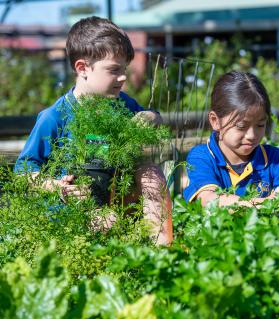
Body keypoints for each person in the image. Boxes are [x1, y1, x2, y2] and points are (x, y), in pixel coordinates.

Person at [14, 16, 173, 246]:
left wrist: (149, 117)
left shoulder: (122, 104)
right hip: (72, 213)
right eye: (113, 70)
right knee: (105, 220)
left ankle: (162, 250)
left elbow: (154, 116)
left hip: (117, 200)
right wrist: (56, 186)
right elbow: (24, 171)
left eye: (125, 69)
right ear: (83, 68)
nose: (123, 77)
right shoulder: (55, 117)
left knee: (150, 173)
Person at [183, 71, 279, 207]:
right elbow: (209, 201)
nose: (252, 135)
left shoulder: (275, 159)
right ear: (215, 121)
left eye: (260, 125)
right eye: (241, 126)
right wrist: (265, 203)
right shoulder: (202, 157)